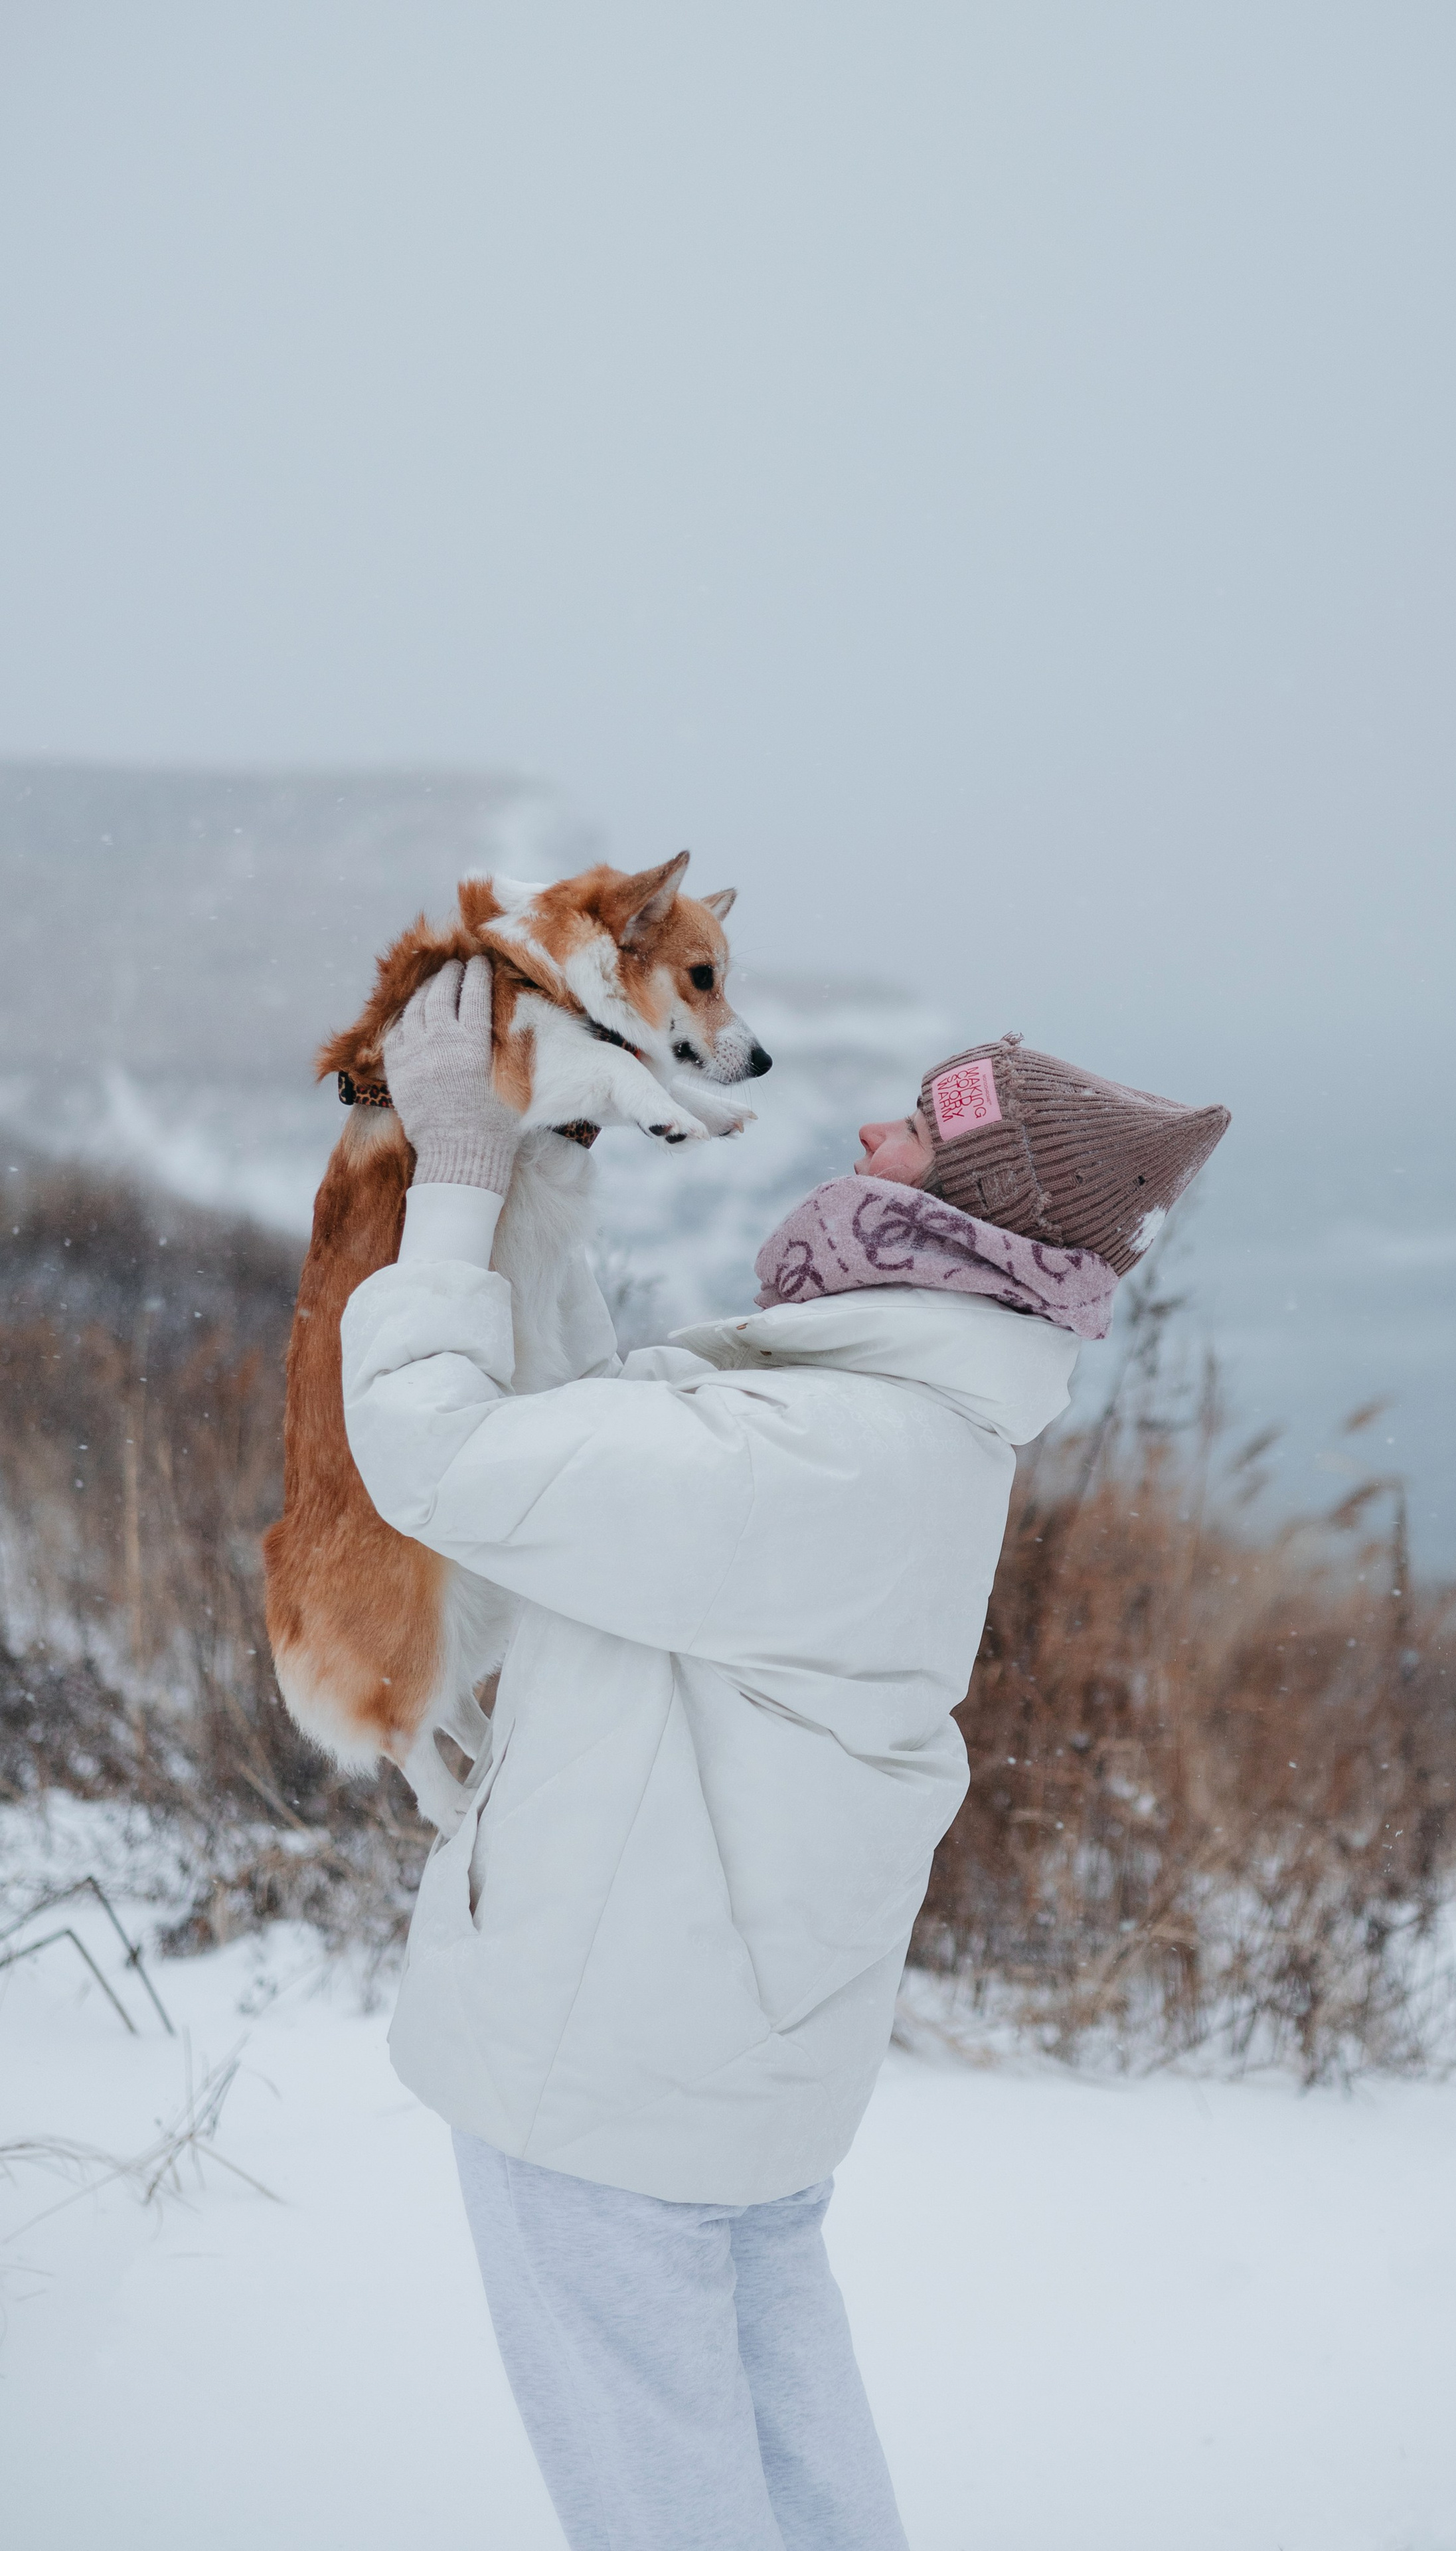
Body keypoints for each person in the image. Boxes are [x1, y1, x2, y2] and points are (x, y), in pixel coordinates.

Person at [342, 959, 1228, 2551]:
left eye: (917, 1135)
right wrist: (538, 1173)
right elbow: (608, 1451)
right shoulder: (883, 1413)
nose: (870, 1125)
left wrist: (456, 1189)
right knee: (790, 2474)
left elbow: (448, 1452)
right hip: (713, 2055)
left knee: (662, 2501)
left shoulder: (829, 1449)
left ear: (964, 1220)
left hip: (612, 2073)